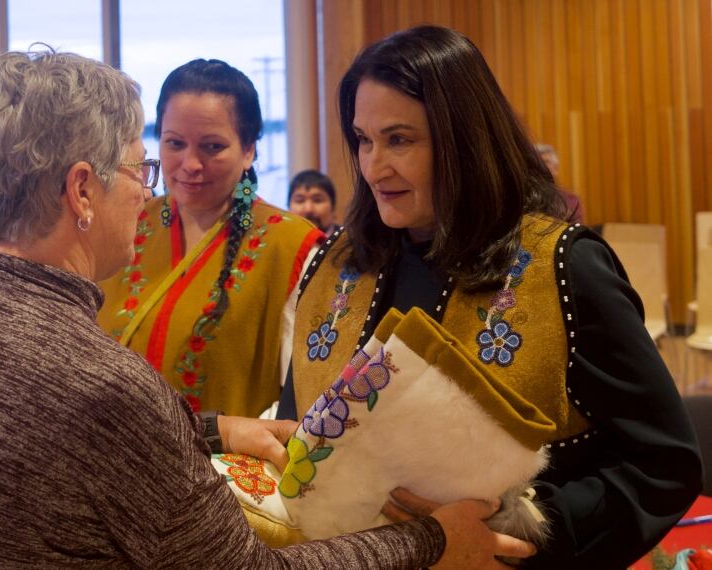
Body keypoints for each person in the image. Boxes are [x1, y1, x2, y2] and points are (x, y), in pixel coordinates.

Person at [0, 48, 538, 569]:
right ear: (82, 190)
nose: (156, 184)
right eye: (143, 163)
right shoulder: (106, 389)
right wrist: (431, 542)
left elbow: (63, 425)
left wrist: (213, 428)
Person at [277, 25, 702, 569]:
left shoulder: (563, 265)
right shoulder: (339, 264)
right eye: (363, 139)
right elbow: (296, 433)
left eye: (399, 139)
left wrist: (515, 540)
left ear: (461, 140)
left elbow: (662, 464)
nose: (374, 165)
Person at [98, 59, 323, 418]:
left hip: (221, 468)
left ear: (248, 150)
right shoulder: (127, 223)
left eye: (213, 146)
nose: (190, 164)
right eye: (174, 143)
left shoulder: (292, 248)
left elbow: (301, 401)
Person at [535, 143, 585, 224]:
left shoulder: (571, 199)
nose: (541, 165)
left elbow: (577, 229)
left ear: (556, 168)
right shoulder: (527, 197)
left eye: (546, 162)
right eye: (538, 162)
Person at [287, 168, 340, 235]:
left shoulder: (350, 242)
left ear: (333, 207)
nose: (309, 209)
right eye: (300, 201)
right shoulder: (278, 243)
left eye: (317, 200)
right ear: (288, 208)